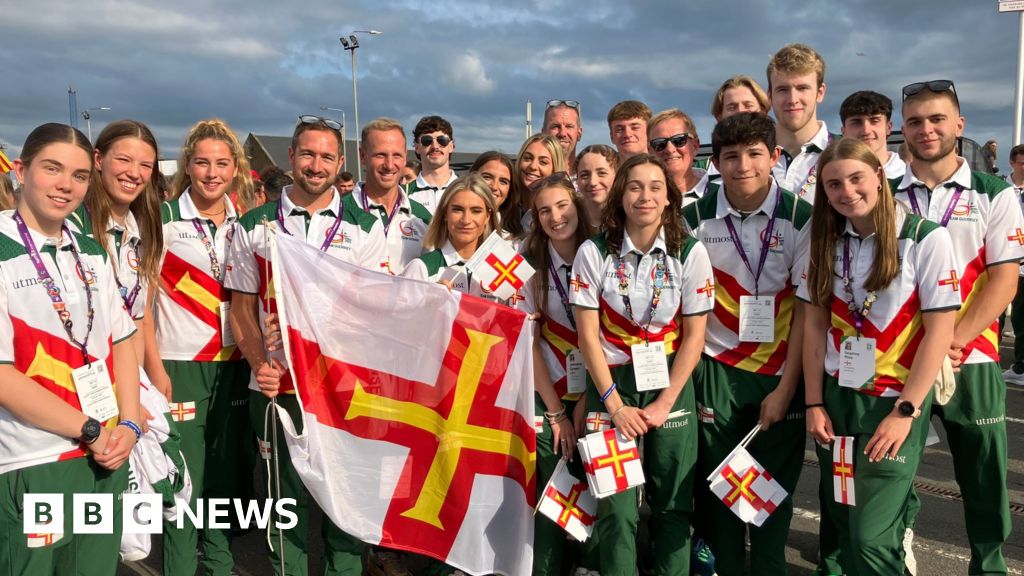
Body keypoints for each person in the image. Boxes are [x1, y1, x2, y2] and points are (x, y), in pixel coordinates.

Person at [226, 114, 386, 576]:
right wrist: (260, 364)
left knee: (345, 505)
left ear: (341, 163)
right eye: (308, 154)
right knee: (284, 507)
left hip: (341, 389)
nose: (316, 165)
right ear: (291, 156)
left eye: (327, 157)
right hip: (277, 389)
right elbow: (241, 308)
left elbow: (371, 313)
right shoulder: (255, 224)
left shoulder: (364, 227)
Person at [802, 137, 959, 575]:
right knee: (844, 513)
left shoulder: (925, 238)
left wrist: (906, 410)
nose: (846, 191)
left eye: (856, 178)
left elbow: (938, 332)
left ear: (879, 176)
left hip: (894, 400)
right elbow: (815, 328)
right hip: (839, 397)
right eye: (833, 185)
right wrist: (814, 402)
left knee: (872, 537)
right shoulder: (826, 242)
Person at [0, 122, 140, 576]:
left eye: (79, 175)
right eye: (52, 169)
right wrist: (92, 430)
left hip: (103, 456)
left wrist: (132, 426)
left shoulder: (93, 251)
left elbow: (122, 342)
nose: (66, 185)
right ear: (20, 170)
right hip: (33, 459)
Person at [894, 79, 1022, 575]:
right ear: (902, 130)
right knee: (896, 471)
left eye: (937, 119)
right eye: (915, 122)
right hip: (901, 361)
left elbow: (1004, 281)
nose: (926, 130)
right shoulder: (884, 194)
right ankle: (897, 555)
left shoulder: (994, 192)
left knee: (985, 476)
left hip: (972, 359)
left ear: (959, 126)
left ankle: (988, 565)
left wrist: (953, 340)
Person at [571, 154, 713, 575]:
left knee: (672, 506)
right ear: (621, 195)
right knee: (616, 510)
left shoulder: (690, 252)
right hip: (611, 383)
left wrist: (666, 402)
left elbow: (695, 337)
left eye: (655, 187)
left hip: (669, 382)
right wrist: (614, 406)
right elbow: (587, 337)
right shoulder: (593, 252)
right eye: (634, 186)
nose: (645, 196)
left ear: (670, 198)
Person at [682, 112, 811, 575]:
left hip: (779, 374)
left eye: (755, 153)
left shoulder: (802, 216)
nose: (743, 166)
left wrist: (786, 387)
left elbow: (806, 314)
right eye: (731, 157)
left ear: (775, 156)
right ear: (715, 163)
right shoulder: (691, 216)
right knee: (721, 494)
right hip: (715, 369)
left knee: (771, 497)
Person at [158, 118, 253, 576]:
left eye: (221, 164)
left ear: (235, 168)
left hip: (237, 362)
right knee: (183, 482)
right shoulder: (161, 221)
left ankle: (219, 563)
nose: (212, 173)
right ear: (187, 166)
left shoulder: (249, 224)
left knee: (222, 475)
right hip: (180, 365)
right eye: (202, 163)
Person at [521, 173, 596, 575]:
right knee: (550, 492)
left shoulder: (603, 252)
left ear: (578, 205)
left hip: (599, 389)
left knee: (600, 487)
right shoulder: (529, 262)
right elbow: (527, 342)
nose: (555, 217)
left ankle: (591, 564)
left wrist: (586, 403)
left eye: (562, 205)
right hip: (547, 389)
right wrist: (556, 414)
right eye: (544, 210)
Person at [69, 119, 170, 403]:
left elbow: (136, 321)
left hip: (126, 383)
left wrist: (138, 389)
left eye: (145, 165)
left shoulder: (143, 229)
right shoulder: (73, 226)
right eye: (124, 160)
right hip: (81, 383)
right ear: (98, 159)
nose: (134, 173)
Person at [343, 118, 431, 275]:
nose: (389, 165)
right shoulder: (339, 211)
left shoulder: (422, 217)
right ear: (363, 156)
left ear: (405, 157)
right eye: (380, 155)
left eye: (396, 155)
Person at [401, 175, 501, 300]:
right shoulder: (422, 268)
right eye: (457, 210)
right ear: (445, 214)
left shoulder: (501, 269)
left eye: (476, 211)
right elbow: (398, 316)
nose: (466, 220)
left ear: (488, 216)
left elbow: (515, 315)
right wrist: (427, 302)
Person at [767, 43, 832, 201]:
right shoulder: (752, 157)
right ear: (770, 96)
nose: (792, 100)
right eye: (783, 90)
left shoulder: (845, 154)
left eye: (802, 88)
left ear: (820, 92)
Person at [647, 108, 709, 207]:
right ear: (650, 151)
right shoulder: (644, 200)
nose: (670, 149)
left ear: (695, 145)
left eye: (679, 140)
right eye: (660, 143)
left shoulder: (722, 190)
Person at [840, 90, 905, 179]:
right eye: (856, 122)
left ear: (888, 128)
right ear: (844, 132)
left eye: (874, 121)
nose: (866, 131)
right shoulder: (832, 178)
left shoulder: (909, 177)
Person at [514, 134, 566, 240]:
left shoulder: (562, 212)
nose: (533, 166)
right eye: (528, 158)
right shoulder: (507, 204)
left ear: (555, 168)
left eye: (543, 162)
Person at [407, 115, 458, 215]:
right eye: (427, 141)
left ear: (451, 146)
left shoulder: (468, 189)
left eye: (442, 140)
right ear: (417, 147)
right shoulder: (403, 195)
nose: (435, 146)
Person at [469, 150, 514, 236]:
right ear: (471, 178)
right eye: (487, 177)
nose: (494, 187)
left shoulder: (513, 244)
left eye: (503, 182)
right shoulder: (447, 230)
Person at [575, 144, 618, 230]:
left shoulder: (631, 219)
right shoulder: (572, 221)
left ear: (617, 176)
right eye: (585, 175)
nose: (592, 182)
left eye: (602, 173)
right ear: (577, 180)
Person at [544, 99, 584, 177]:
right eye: (555, 126)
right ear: (543, 133)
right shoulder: (535, 179)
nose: (562, 133)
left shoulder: (590, 180)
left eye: (569, 126)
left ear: (579, 134)